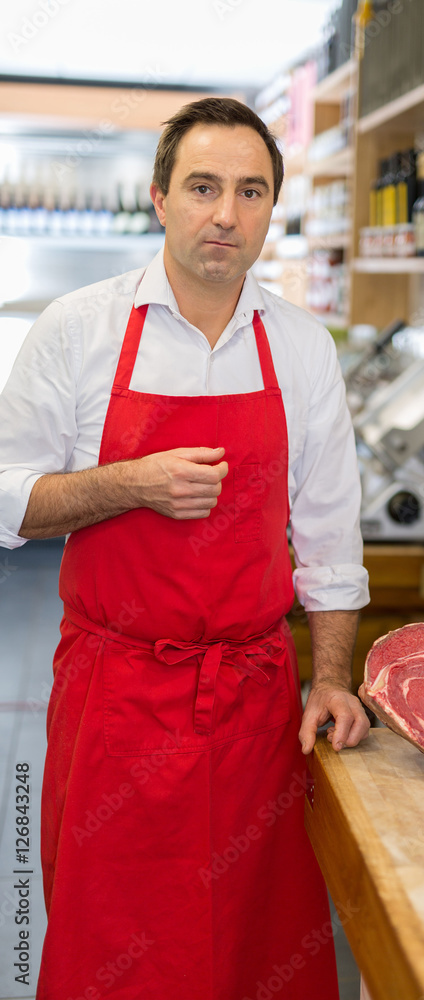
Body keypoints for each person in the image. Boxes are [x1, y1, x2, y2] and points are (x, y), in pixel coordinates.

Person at [0, 97, 370, 999]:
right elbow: (10, 499)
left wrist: (328, 678)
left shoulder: (301, 347)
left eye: (250, 192)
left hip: (251, 701)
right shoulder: (78, 329)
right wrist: (126, 484)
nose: (226, 214)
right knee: (115, 945)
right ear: (160, 197)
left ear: (270, 210)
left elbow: (328, 535)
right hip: (116, 698)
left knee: (256, 943)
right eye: (203, 187)